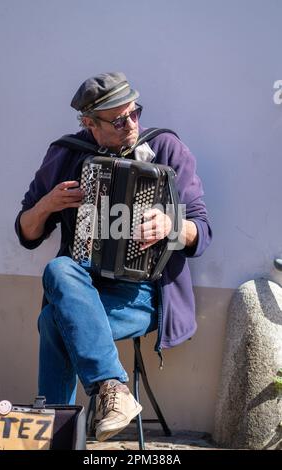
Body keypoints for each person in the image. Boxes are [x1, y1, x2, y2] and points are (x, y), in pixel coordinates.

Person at [15, 72, 212, 442]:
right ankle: (111, 388)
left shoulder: (166, 148)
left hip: (144, 295)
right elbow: (26, 231)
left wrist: (172, 225)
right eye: (119, 121)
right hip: (85, 289)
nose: (132, 124)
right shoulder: (66, 154)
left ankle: (58, 435)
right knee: (59, 270)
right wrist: (47, 205)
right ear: (89, 124)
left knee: (54, 319)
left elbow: (203, 230)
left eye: (135, 113)